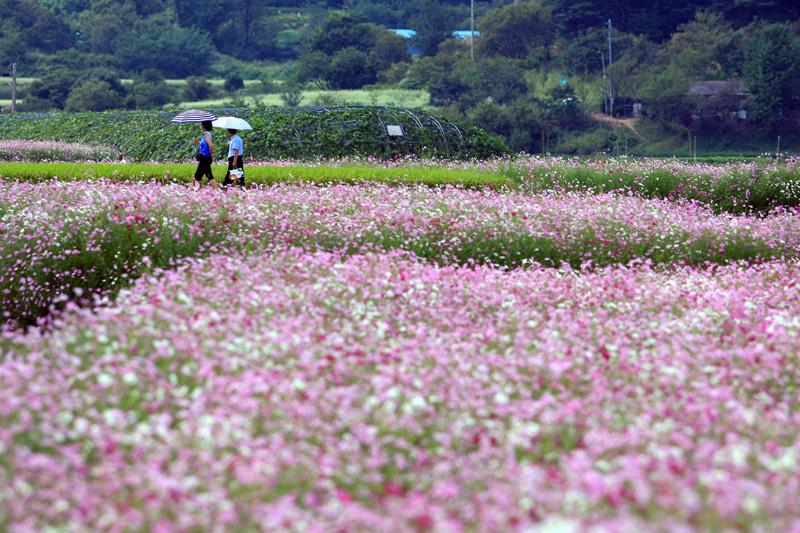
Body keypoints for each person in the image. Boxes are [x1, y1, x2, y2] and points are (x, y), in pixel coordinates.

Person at [192, 121, 215, 190]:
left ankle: (218, 191)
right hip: (203, 158)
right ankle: (197, 191)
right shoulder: (206, 134)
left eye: (202, 125)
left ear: (203, 126)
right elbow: (205, 146)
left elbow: (211, 145)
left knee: (209, 175)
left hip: (206, 158)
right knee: (197, 176)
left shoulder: (207, 135)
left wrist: (211, 155)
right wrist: (198, 143)